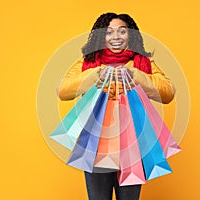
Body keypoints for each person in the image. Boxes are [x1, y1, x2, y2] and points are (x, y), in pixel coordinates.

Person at [57, 12, 175, 200]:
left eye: (122, 32)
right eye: (109, 32)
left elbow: (168, 92)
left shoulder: (142, 63)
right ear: (101, 37)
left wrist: (136, 75)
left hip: (133, 147)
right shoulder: (88, 63)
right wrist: (96, 74)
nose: (116, 37)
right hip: (97, 145)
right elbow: (63, 90)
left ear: (131, 36)